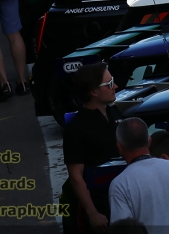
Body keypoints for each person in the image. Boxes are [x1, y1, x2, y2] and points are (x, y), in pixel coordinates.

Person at [62, 64, 122, 233]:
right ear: (94, 92)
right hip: (99, 203)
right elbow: (75, 176)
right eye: (109, 84)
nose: (115, 86)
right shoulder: (77, 127)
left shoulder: (115, 113)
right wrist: (92, 212)